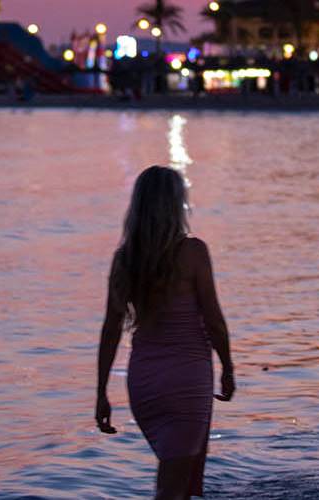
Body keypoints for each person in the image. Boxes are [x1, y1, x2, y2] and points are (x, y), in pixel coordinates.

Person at [95, 166, 237, 499]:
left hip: (144, 382)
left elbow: (111, 330)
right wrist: (228, 367)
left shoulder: (124, 259)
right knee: (173, 488)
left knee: (178, 482)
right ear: (176, 204)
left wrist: (101, 392)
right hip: (187, 379)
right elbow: (214, 320)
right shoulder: (193, 251)